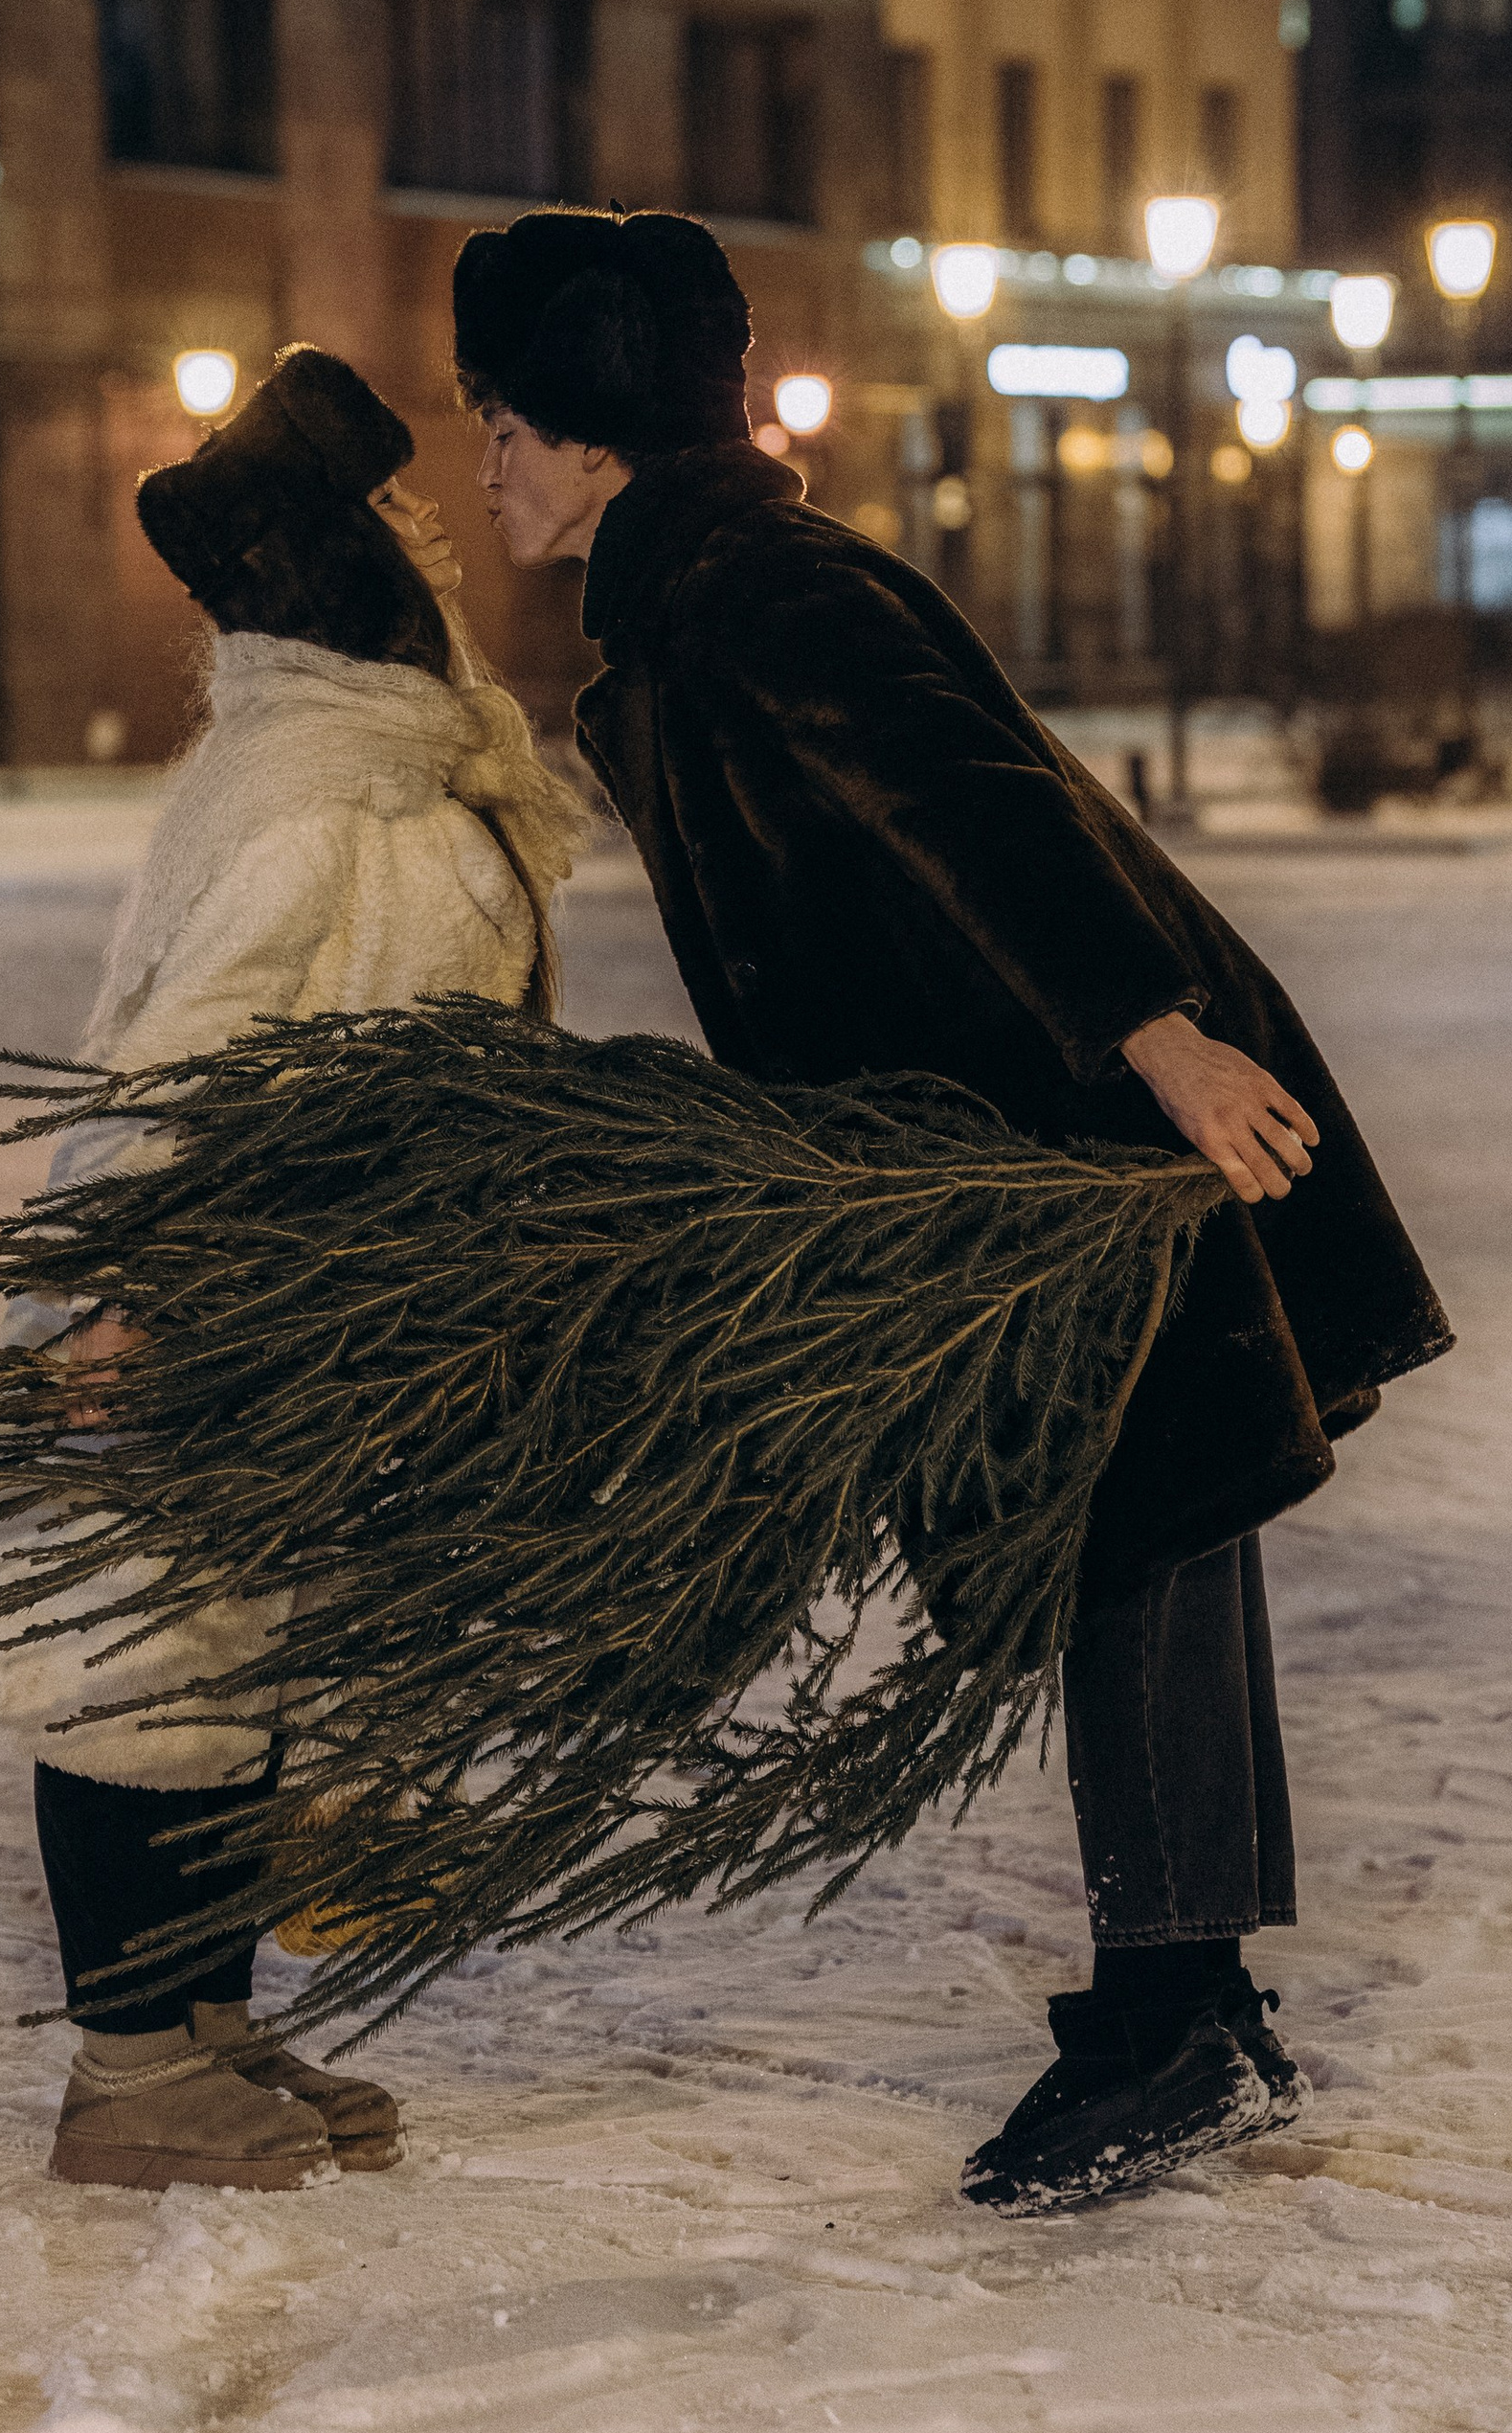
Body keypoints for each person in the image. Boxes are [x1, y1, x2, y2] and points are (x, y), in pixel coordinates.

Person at [446, 207, 1450, 2212]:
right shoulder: (694, 598)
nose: (483, 469)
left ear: (591, 436)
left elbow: (971, 806)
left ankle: (1172, 2015)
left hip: (1056, 1122)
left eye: (499, 429)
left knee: (1135, 1524)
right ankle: (1197, 1990)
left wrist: (1147, 1040)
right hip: (982, 1139)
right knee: (1145, 1525)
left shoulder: (748, 589)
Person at [0, 345, 581, 2194]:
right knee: (151, 1651)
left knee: (244, 1656)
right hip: (220, 1292)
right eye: (401, 534)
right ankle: (129, 2072)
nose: (432, 554)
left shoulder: (363, 768)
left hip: (314, 1298)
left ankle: (201, 2027)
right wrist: (135, 1287)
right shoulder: (329, 799)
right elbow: (196, 1071)